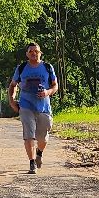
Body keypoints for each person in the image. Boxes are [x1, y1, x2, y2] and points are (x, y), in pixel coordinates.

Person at [8, 42, 59, 173]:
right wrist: (12, 100)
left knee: (42, 137)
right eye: (30, 51)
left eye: (36, 51)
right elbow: (13, 85)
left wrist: (47, 92)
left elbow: (55, 86)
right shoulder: (22, 68)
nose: (33, 53)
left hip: (44, 107)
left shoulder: (48, 67)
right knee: (29, 135)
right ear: (27, 54)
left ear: (40, 53)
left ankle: (39, 153)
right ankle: (32, 163)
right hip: (25, 105)